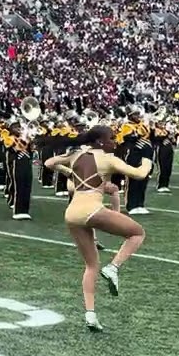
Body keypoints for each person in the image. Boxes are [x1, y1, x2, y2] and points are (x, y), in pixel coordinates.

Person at [41, 125, 151, 332]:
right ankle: (113, 267)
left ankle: (90, 315)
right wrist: (147, 161)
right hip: (92, 210)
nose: (115, 142)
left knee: (91, 266)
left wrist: (70, 171)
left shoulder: (76, 154)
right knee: (137, 233)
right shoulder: (108, 159)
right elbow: (138, 174)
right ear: (100, 141)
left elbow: (49, 162)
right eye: (112, 138)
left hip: (72, 214)